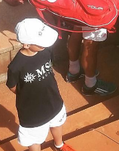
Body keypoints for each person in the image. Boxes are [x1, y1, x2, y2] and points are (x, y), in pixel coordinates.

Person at [6, 18, 75, 151]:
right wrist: (27, 93)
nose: (46, 44)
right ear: (26, 44)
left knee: (57, 124)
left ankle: (59, 145)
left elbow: (50, 67)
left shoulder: (46, 51)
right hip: (32, 113)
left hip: (53, 101)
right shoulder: (16, 66)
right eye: (41, 42)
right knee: (34, 140)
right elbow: (12, 86)